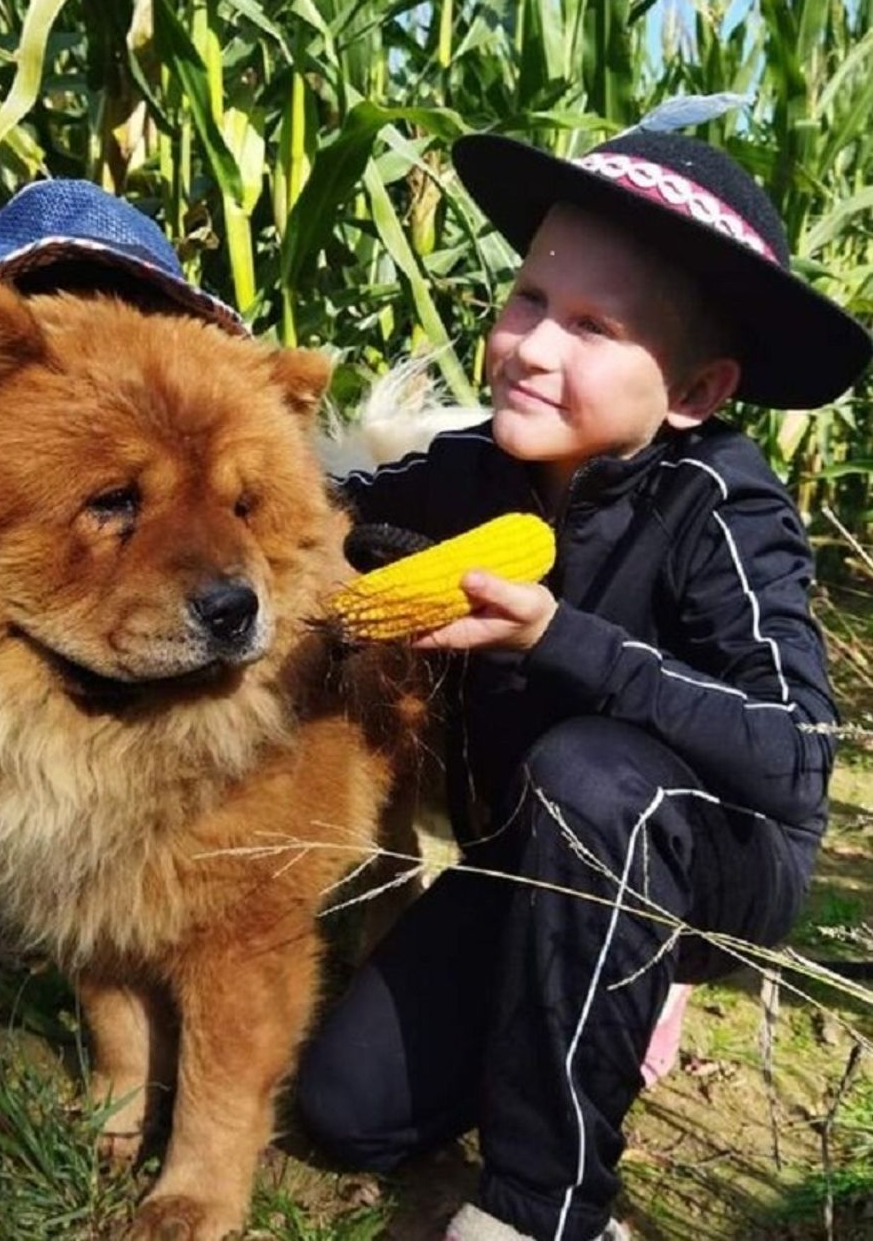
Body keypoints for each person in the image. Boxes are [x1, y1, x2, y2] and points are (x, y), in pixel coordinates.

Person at [295, 127, 872, 1241]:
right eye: (528, 298)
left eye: (593, 327)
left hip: (708, 853)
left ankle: (547, 1205)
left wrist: (567, 638)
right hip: (532, 847)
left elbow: (799, 754)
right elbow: (332, 507)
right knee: (347, 1109)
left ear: (697, 390)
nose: (530, 346)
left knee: (596, 769)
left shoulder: (724, 508)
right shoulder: (478, 470)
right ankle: (597, 991)